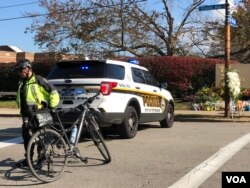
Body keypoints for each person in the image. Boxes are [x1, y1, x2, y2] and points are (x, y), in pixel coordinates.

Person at [15, 59, 60, 168]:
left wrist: (52, 107)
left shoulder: (38, 80)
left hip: (39, 113)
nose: (19, 73)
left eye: (20, 71)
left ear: (27, 69)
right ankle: (28, 159)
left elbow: (53, 92)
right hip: (26, 115)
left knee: (41, 138)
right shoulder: (22, 83)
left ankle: (42, 159)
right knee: (26, 137)